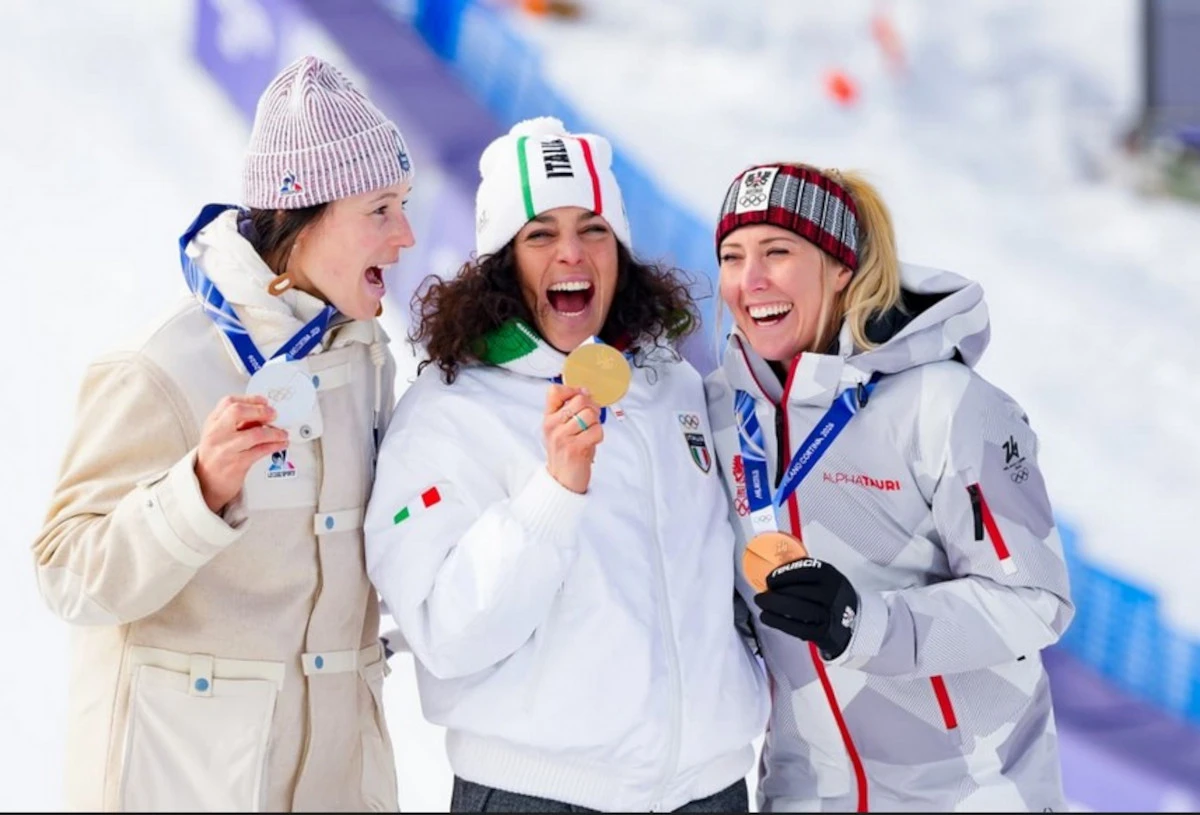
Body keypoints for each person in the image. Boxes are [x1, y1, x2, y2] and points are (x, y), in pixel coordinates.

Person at [32, 56, 414, 812]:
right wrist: (196, 492)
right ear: (301, 217)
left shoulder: (365, 358)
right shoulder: (159, 367)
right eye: (379, 209)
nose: (405, 234)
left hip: (335, 784)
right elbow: (66, 572)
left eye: (404, 204)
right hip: (189, 783)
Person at [363, 117, 768, 813]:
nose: (572, 252)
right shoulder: (448, 413)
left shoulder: (672, 385)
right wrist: (553, 493)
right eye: (541, 234)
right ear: (501, 262)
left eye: (594, 229)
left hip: (711, 790)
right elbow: (447, 636)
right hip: (540, 795)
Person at [705, 162, 1075, 811]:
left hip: (970, 793)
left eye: (777, 251)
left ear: (840, 267)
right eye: (732, 257)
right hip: (806, 793)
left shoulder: (946, 405)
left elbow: (1035, 599)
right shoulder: (718, 415)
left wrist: (864, 624)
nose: (750, 279)